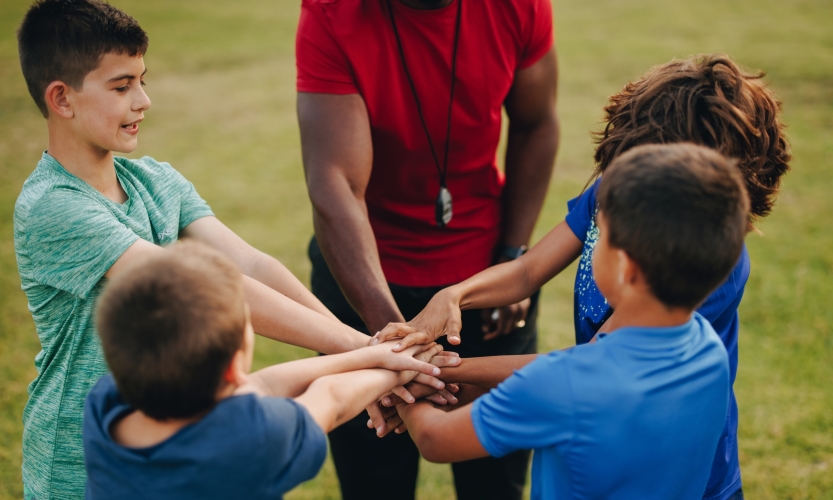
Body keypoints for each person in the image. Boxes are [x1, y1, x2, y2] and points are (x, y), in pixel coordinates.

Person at [14, 2, 449, 498]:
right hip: (84, 464)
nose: (143, 101)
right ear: (61, 99)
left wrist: (363, 349)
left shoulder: (157, 181)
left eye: (142, 80)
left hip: (187, 429)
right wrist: (369, 353)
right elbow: (208, 289)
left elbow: (252, 265)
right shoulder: (54, 207)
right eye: (121, 87)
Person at [378, 54, 791, 500]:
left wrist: (421, 375)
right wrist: (454, 296)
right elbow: (528, 270)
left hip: (665, 458)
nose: (598, 215)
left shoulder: (701, 267)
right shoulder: (627, 194)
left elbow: (589, 368)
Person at [295, 0, 558, 497]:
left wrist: (513, 255)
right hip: (365, 286)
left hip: (487, 282)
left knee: (496, 482)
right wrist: (396, 342)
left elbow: (536, 122)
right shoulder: (333, 12)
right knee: (375, 480)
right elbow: (335, 184)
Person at [396, 143, 747, 499]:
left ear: (625, 268)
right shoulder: (710, 352)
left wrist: (404, 386)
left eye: (599, 234)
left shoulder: (561, 385)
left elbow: (434, 439)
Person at [83, 241, 455, 499]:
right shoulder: (255, 436)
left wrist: (374, 355)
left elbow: (259, 385)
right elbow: (333, 398)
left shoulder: (105, 405)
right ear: (233, 366)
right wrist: (404, 366)